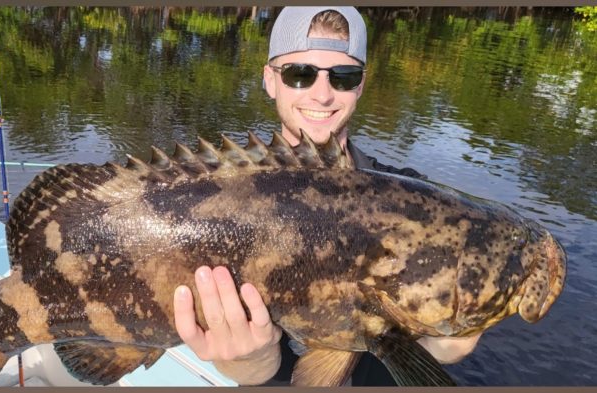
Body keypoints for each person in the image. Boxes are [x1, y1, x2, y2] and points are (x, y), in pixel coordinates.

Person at [172, 6, 481, 386]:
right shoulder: (204, 192)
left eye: (343, 76)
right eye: (299, 74)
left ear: (361, 85)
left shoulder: (413, 199)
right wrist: (252, 363)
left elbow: (422, 349)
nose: (322, 95)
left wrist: (441, 343)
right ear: (270, 80)